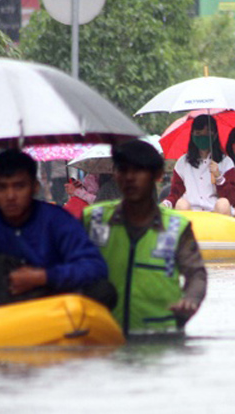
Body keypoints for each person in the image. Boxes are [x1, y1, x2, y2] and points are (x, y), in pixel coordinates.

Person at [0, 150, 111, 310]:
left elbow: (94, 267)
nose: (10, 195)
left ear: (35, 187)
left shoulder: (57, 220)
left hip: (51, 310)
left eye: (19, 186)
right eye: (2, 187)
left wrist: (44, 276)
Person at [83, 140, 207, 336]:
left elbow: (197, 274)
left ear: (157, 175)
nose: (129, 178)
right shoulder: (94, 220)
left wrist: (190, 300)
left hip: (162, 340)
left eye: (138, 170)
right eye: (122, 170)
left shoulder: (176, 227)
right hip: (104, 336)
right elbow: (70, 265)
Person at [162, 115, 235, 216]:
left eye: (207, 133)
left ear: (215, 135)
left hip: (216, 214)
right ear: (192, 135)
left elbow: (234, 197)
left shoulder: (226, 162)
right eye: (198, 133)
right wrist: (166, 204)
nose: (203, 136)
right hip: (192, 214)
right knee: (181, 204)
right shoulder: (182, 162)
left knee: (223, 204)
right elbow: (175, 193)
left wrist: (219, 178)